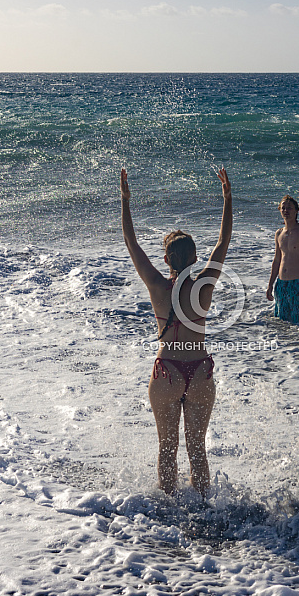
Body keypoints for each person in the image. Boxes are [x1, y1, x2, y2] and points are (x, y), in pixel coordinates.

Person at [120, 167, 232, 497]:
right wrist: (227, 197)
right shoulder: (203, 286)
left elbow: (131, 240)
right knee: (197, 449)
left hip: (166, 370)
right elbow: (224, 241)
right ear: (196, 257)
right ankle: (205, 514)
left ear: (166, 258)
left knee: (167, 449)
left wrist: (125, 200)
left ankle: (167, 517)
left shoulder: (156, 285)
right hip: (199, 371)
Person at [266, 194, 299, 324]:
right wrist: (270, 284)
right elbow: (277, 260)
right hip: (281, 284)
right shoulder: (279, 233)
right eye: (283, 208)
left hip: (298, 283)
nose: (286, 211)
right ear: (279, 210)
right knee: (282, 323)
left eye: (289, 208)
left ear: (296, 210)